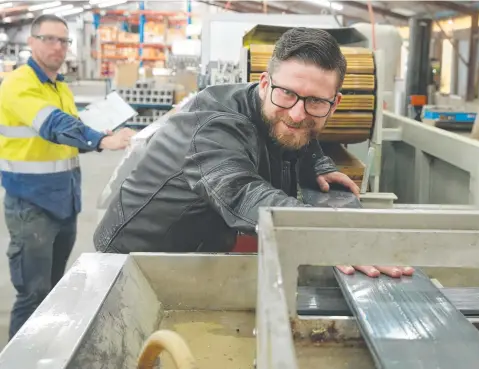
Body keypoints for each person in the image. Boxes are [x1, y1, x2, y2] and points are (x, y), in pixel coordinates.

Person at [94, 27, 414, 280]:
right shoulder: (213, 127)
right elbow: (242, 193)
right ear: (264, 84)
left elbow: (299, 132)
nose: (299, 113)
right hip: (132, 259)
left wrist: (318, 163)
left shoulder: (280, 110)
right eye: (288, 93)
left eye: (316, 102)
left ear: (335, 103)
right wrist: (331, 236)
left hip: (198, 249)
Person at [0, 14, 135, 339]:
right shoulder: (19, 84)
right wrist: (101, 140)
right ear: (32, 42)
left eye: (64, 40)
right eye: (49, 39)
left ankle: (43, 351)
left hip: (64, 203)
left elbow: (68, 137)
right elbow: (55, 125)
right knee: (33, 295)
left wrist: (98, 135)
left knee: (51, 294)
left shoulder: (59, 87)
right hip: (31, 206)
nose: (58, 47)